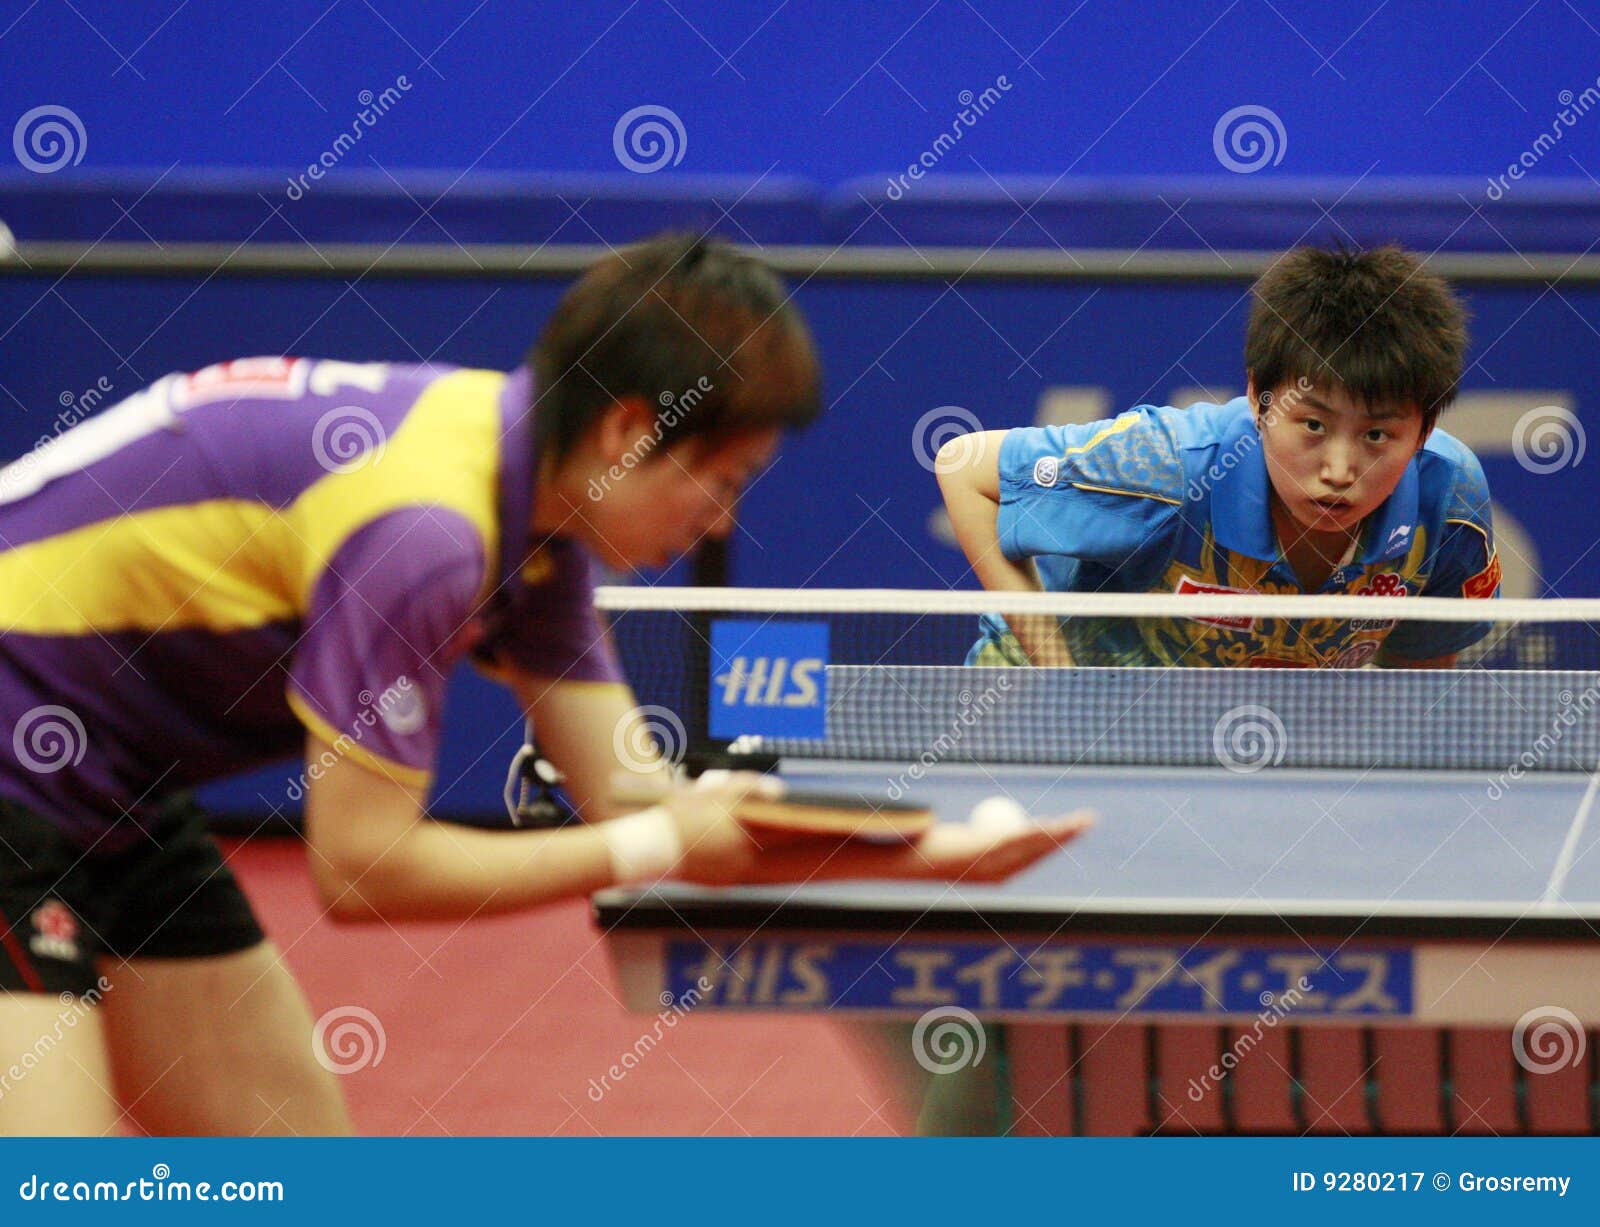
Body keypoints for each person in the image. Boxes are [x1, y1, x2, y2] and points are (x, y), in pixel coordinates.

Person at [0, 233, 1089, 1137]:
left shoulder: (536, 520)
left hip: (114, 788)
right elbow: (365, 867)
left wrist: (918, 859)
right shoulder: (425, 533)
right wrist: (659, 849)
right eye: (719, 480)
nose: (719, 521)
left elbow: (641, 798)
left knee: (294, 1172)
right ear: (628, 429)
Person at [937, 244, 1500, 670]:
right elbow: (964, 465)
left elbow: (1421, 676)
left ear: (1424, 429)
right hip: (1041, 712)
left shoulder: (1448, 500)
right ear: (1259, 398)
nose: (1338, 469)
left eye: (1377, 436)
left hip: (1225, 735)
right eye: (1312, 424)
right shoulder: (1166, 467)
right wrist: (1059, 681)